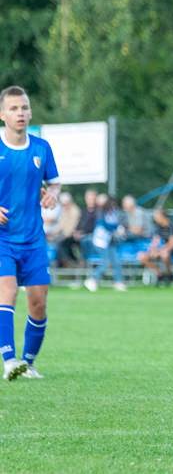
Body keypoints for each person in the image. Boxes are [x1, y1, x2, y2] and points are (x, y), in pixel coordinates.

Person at [0, 86, 61, 380]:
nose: (20, 113)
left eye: (24, 107)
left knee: (38, 301)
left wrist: (53, 194)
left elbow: (55, 183)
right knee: (7, 291)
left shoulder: (41, 148)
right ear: (2, 115)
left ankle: (27, 362)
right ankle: (9, 360)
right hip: (2, 239)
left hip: (33, 238)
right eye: (13, 108)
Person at [84, 195, 127, 292]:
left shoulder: (114, 214)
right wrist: (117, 227)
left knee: (116, 261)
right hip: (100, 241)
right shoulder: (101, 213)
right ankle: (92, 279)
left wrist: (119, 228)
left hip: (109, 241)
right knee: (106, 262)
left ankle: (118, 282)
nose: (114, 206)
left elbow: (115, 225)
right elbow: (105, 225)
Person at [137, 208, 173, 284]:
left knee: (164, 254)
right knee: (141, 256)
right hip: (161, 249)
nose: (155, 218)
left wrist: (160, 251)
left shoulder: (171, 226)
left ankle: (169, 274)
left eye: (156, 216)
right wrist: (152, 250)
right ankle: (159, 273)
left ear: (162, 216)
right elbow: (155, 241)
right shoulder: (158, 227)